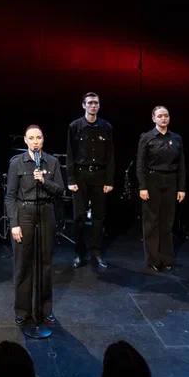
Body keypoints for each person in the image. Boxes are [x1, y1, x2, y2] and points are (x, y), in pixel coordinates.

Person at [5, 126, 65, 326]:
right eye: (31, 138)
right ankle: (22, 310)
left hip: (46, 213)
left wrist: (44, 181)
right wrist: (14, 224)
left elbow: (60, 190)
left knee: (45, 264)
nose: (35, 141)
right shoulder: (17, 163)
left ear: (43, 139)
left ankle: (45, 310)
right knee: (23, 264)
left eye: (38, 137)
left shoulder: (52, 162)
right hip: (25, 214)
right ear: (25, 140)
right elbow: (10, 196)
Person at [66, 92, 114, 269]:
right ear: (83, 105)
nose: (93, 106)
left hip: (99, 176)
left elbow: (110, 155)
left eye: (96, 103)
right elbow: (70, 154)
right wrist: (71, 179)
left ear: (99, 105)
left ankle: (96, 252)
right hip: (80, 176)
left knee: (99, 216)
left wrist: (109, 180)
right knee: (79, 217)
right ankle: (79, 253)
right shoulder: (74, 126)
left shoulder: (106, 127)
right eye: (90, 103)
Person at [135, 106, 186, 271]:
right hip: (152, 181)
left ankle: (166, 258)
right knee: (152, 222)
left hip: (170, 181)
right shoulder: (147, 137)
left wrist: (181, 188)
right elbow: (140, 164)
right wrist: (142, 187)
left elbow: (181, 165)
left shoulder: (176, 138)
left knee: (167, 222)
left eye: (166, 115)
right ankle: (153, 259)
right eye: (160, 116)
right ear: (153, 118)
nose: (163, 118)